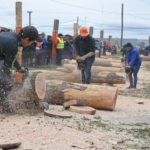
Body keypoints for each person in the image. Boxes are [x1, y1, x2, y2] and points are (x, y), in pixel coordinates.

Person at [0, 26, 38, 112]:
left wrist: (19, 68)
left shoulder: (12, 36)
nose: (29, 44)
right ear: (27, 39)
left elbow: (10, 57)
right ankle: (4, 105)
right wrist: (9, 79)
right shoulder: (12, 44)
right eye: (31, 42)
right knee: (7, 83)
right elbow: (7, 67)